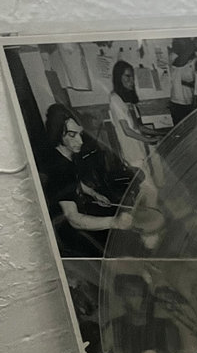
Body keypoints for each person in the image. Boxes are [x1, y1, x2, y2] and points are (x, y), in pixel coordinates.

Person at [41, 105, 135, 257]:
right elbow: (74, 219)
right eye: (72, 135)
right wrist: (115, 222)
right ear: (57, 133)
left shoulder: (65, 154)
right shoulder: (59, 170)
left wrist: (93, 193)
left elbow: (74, 181)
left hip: (79, 212)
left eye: (80, 134)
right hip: (67, 233)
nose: (80, 141)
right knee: (120, 247)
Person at [108, 60, 157, 169]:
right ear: (118, 78)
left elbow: (139, 127)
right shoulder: (115, 99)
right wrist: (149, 140)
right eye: (127, 76)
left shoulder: (128, 101)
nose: (132, 81)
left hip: (140, 150)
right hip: (132, 153)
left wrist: (160, 133)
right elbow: (127, 130)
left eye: (132, 77)